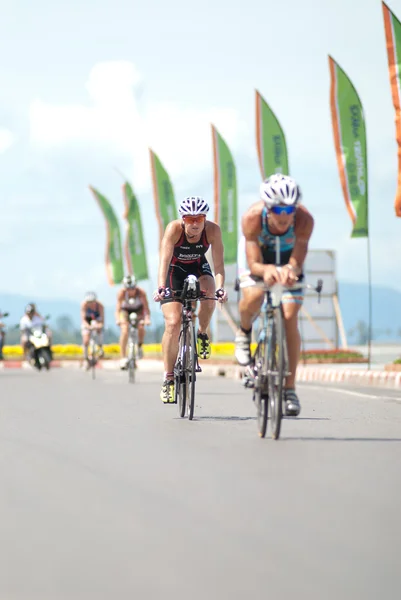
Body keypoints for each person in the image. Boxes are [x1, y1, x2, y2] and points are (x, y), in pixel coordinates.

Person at [235, 174, 314, 416]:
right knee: (254, 296)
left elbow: (297, 260)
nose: (284, 215)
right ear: (268, 208)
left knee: (290, 317)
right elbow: (254, 262)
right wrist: (266, 270)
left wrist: (291, 270)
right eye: (278, 209)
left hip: (287, 260)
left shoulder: (304, 220)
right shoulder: (252, 218)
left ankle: (290, 389)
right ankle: (245, 332)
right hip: (259, 261)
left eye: (289, 208)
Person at [153, 195, 228, 404]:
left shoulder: (213, 230)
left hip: (198, 266)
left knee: (210, 297)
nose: (195, 223)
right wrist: (161, 287)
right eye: (190, 219)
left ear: (205, 219)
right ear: (183, 219)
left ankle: (202, 333)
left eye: (199, 219)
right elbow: (164, 261)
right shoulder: (173, 230)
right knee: (173, 322)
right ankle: (168, 378)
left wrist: (221, 288)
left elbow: (219, 266)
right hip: (174, 271)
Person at [116, 275, 151, 369]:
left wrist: (147, 319)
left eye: (133, 288)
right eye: (128, 288)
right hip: (125, 311)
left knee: (141, 327)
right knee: (124, 330)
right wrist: (118, 320)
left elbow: (146, 308)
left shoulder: (141, 293)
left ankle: (139, 345)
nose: (131, 291)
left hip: (138, 311)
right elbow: (118, 309)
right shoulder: (122, 293)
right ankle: (123, 357)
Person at [80, 292, 105, 369]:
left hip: (97, 321)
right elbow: (83, 319)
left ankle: (100, 347)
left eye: (92, 302)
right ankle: (85, 358)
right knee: (86, 340)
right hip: (87, 322)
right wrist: (88, 326)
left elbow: (102, 319)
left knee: (100, 330)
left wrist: (99, 325)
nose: (90, 304)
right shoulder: (84, 305)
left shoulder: (100, 306)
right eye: (88, 302)